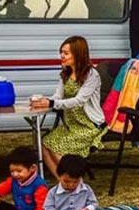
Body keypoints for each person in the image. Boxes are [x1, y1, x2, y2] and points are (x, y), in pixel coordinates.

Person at [30, 36, 107, 174]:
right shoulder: (66, 74)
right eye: (61, 52)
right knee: (44, 144)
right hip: (71, 124)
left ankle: (74, 180)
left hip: (88, 125)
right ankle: (62, 182)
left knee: (58, 147)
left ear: (78, 54)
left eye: (66, 53)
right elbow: (58, 97)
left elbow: (79, 100)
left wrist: (52, 103)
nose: (62, 56)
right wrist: (44, 101)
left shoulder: (91, 75)